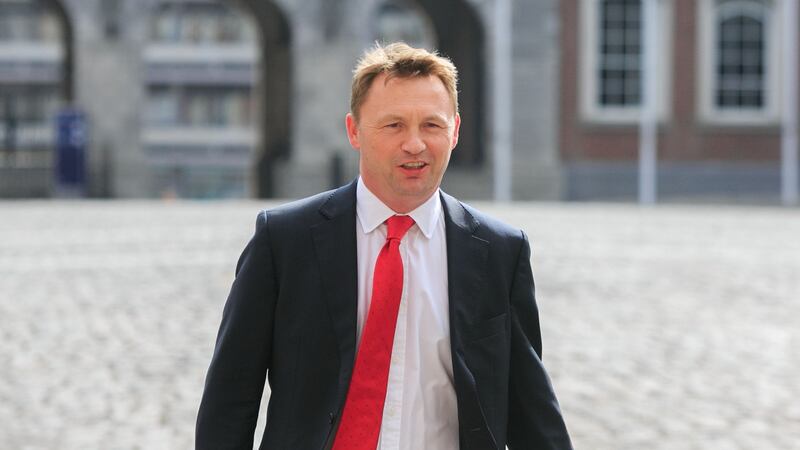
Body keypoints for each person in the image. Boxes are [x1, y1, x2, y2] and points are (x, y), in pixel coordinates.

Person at [196, 42, 572, 450]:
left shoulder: (501, 251)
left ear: (456, 131)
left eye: (432, 125)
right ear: (354, 130)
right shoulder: (285, 240)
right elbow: (230, 400)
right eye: (393, 125)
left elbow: (532, 410)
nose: (415, 144)